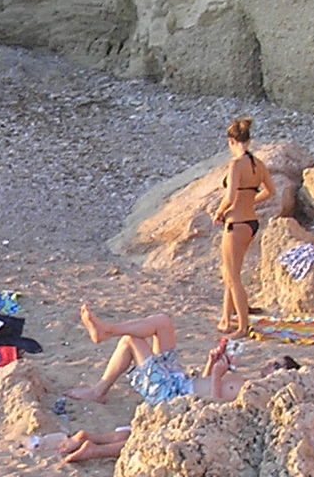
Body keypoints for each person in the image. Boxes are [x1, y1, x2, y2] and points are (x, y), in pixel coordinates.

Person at [65, 307, 241, 406]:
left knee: (131, 341)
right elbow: (205, 385)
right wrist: (212, 363)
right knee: (163, 321)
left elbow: (214, 411)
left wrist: (218, 375)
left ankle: (98, 391)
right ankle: (108, 331)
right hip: (181, 382)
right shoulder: (249, 383)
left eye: (270, 367)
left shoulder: (254, 396)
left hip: (172, 397)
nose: (269, 366)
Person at [214, 118, 270, 336]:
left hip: (235, 223)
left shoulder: (236, 165)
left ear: (231, 141)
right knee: (231, 273)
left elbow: (229, 196)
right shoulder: (258, 164)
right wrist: (250, 201)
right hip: (251, 222)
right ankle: (225, 320)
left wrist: (219, 212)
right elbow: (269, 191)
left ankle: (242, 326)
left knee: (233, 277)